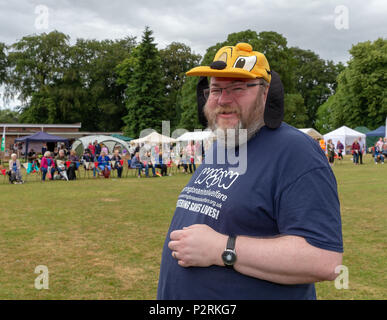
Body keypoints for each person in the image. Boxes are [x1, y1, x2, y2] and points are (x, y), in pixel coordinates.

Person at [157, 42, 343, 300]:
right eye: (216, 89)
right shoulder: (221, 146)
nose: (223, 99)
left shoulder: (295, 151)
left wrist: (221, 249)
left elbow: (324, 259)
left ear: (265, 94)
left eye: (238, 88)